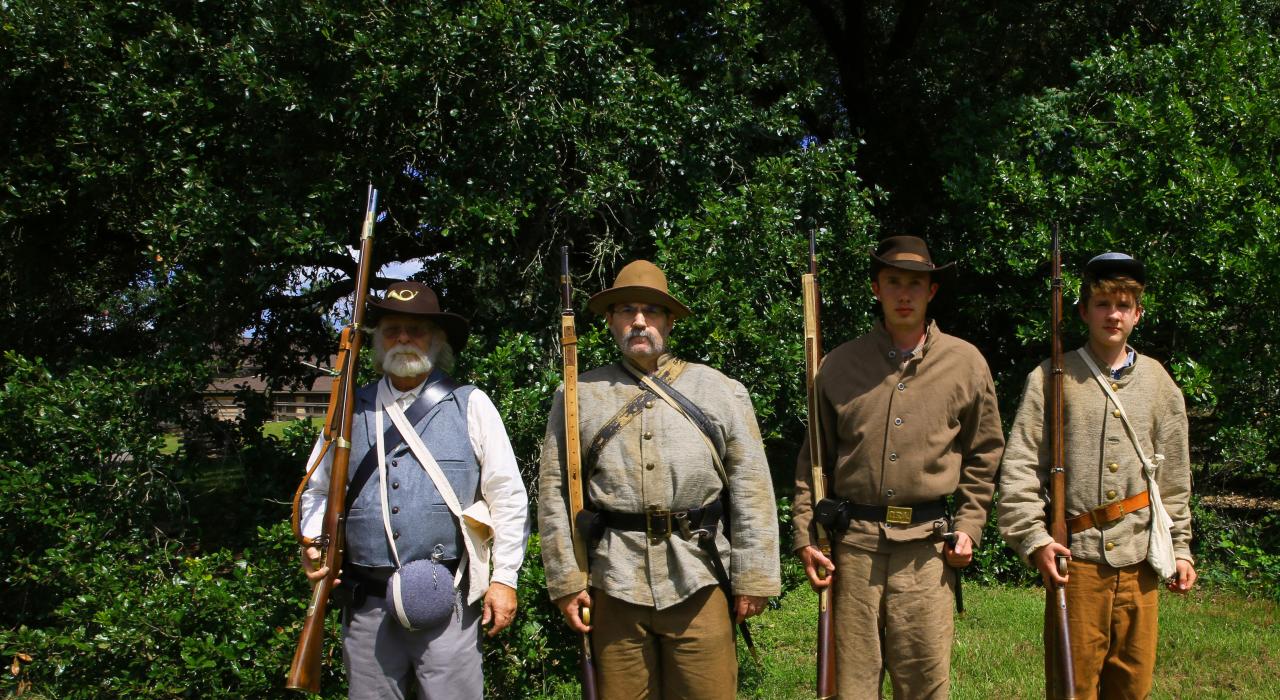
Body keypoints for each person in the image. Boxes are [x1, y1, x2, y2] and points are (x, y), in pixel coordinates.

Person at [538, 259, 780, 699]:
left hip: (699, 575)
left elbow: (752, 486)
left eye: (650, 311)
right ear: (610, 320)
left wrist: (754, 577)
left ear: (669, 320)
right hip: (613, 580)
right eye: (626, 310)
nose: (638, 321)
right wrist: (567, 582)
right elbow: (555, 494)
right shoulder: (577, 395)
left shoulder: (721, 391)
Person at [792, 235, 1005, 699]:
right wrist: (807, 535)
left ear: (931, 291)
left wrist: (970, 523)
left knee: (925, 685)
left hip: (927, 553)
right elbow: (814, 461)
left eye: (915, 283)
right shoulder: (838, 365)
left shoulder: (966, 364)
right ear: (876, 289)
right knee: (850, 686)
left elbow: (984, 454)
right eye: (893, 282)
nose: (904, 294)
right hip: (853, 552)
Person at [298, 281, 530, 700]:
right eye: (392, 329)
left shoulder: (472, 404)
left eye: (416, 329)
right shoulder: (348, 408)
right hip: (367, 603)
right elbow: (316, 490)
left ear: (437, 340)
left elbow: (508, 497)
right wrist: (315, 540)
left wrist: (505, 579)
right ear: (377, 341)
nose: (403, 338)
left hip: (449, 604)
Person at [998, 252, 1195, 700]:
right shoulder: (1051, 377)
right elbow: (1021, 468)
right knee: (1073, 687)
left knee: (1132, 686)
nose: (1114, 314)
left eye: (1124, 305)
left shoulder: (1160, 383)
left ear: (1138, 314)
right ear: (1085, 311)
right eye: (1103, 304)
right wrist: (1035, 539)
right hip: (1078, 560)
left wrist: (1180, 548)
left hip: (1141, 559)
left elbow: (1175, 482)